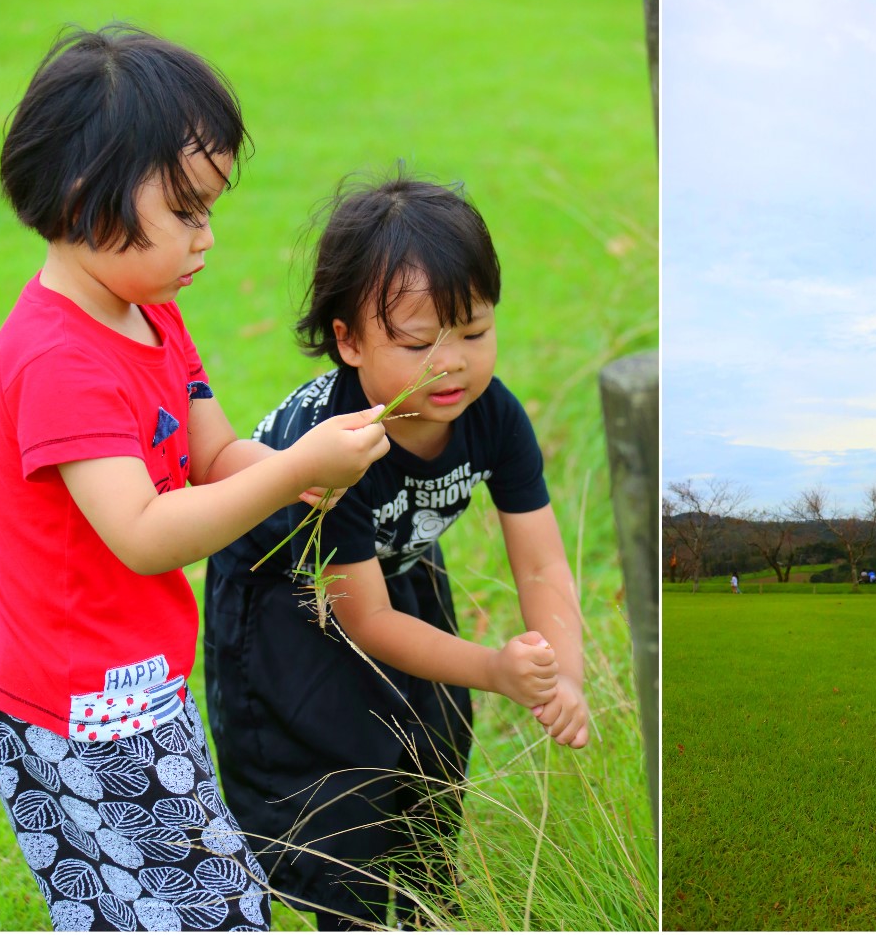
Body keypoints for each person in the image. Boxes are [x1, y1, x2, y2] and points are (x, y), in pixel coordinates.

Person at [0, 24, 393, 932]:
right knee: (216, 912)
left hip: (132, 676)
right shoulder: (59, 360)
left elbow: (210, 455)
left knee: (144, 911)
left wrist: (295, 476)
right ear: (89, 196)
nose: (207, 235)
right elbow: (144, 533)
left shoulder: (148, 313)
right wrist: (291, 466)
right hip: (80, 701)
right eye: (186, 209)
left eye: (210, 207)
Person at [204, 172, 589, 929]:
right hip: (294, 607)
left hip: (401, 571)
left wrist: (559, 676)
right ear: (348, 341)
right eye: (418, 343)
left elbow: (541, 562)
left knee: (431, 761)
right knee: (342, 793)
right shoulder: (344, 449)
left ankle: (424, 911)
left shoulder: (495, 415)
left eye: (474, 332)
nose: (452, 364)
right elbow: (365, 623)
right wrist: (492, 668)